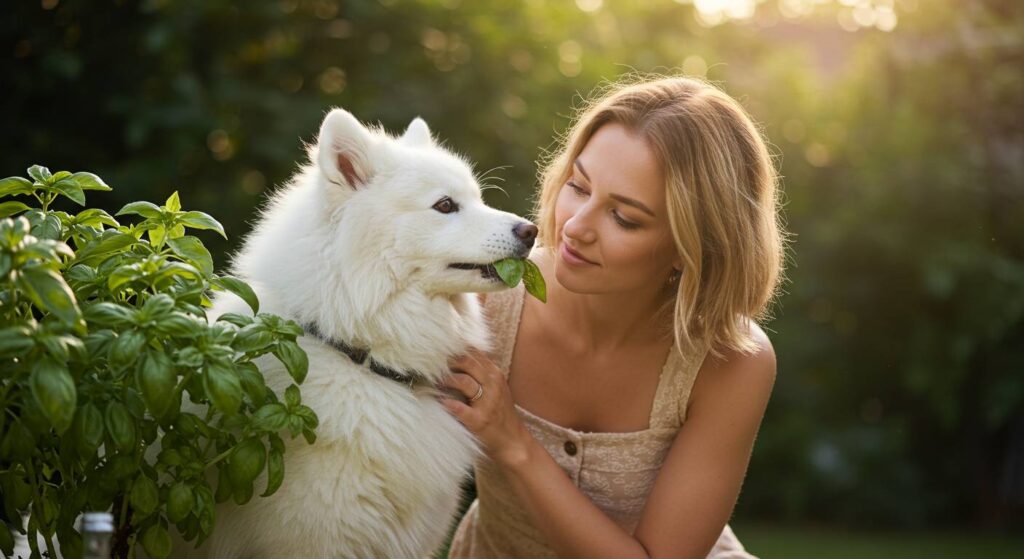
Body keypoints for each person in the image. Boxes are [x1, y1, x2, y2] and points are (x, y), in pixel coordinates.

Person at [440, 75, 788, 559]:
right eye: (578, 186)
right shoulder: (484, 295)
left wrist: (512, 442)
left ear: (693, 248)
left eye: (624, 218)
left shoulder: (731, 361)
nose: (575, 227)